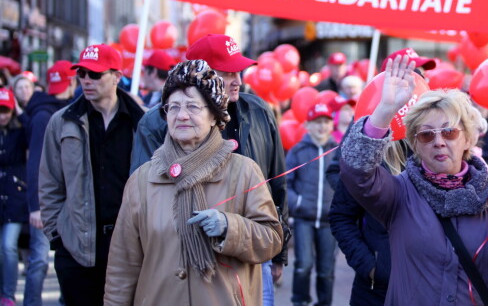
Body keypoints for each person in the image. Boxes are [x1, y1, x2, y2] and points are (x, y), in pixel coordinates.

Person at [339, 55, 488, 306]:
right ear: (415, 144)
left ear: (468, 139)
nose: (439, 141)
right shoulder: (399, 194)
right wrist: (384, 110)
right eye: (426, 135)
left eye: (449, 132)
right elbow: (356, 173)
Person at [104, 59, 283, 304]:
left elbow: (272, 239)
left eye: (192, 107)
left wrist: (229, 228)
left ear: (214, 116)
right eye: (173, 107)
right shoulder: (143, 180)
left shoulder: (243, 172)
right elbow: (123, 265)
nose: (182, 116)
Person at [39, 44, 145, 306]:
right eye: (82, 73)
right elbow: (50, 182)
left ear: (116, 77)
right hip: (76, 251)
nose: (86, 80)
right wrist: (57, 237)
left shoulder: (140, 122)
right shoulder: (62, 122)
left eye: (95, 74)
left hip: (128, 247)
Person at [329, 136, 410, 305]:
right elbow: (342, 216)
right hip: (375, 289)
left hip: (427, 287)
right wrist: (370, 267)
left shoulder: (432, 152)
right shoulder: (363, 154)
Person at [22, 61, 77, 306]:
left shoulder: (73, 109)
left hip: (70, 199)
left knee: (64, 261)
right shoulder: (44, 116)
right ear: (73, 82)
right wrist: (36, 205)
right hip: (50, 200)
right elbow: (35, 161)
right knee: (40, 260)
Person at [286, 102, 338, 306]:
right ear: (307, 125)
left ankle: (324, 303)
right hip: (303, 219)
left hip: (328, 221)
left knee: (326, 270)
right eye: (317, 122)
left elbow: (345, 184)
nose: (322, 127)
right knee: (303, 265)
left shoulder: (337, 152)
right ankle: (300, 301)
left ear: (331, 125)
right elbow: (286, 184)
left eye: (325, 122)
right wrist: (297, 203)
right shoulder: (297, 152)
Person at [0, 87, 28, 306]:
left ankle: (8, 294)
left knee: (9, 246)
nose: (2, 115)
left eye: (6, 111)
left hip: (15, 198)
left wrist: (19, 111)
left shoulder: (19, 131)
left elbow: (33, 133)